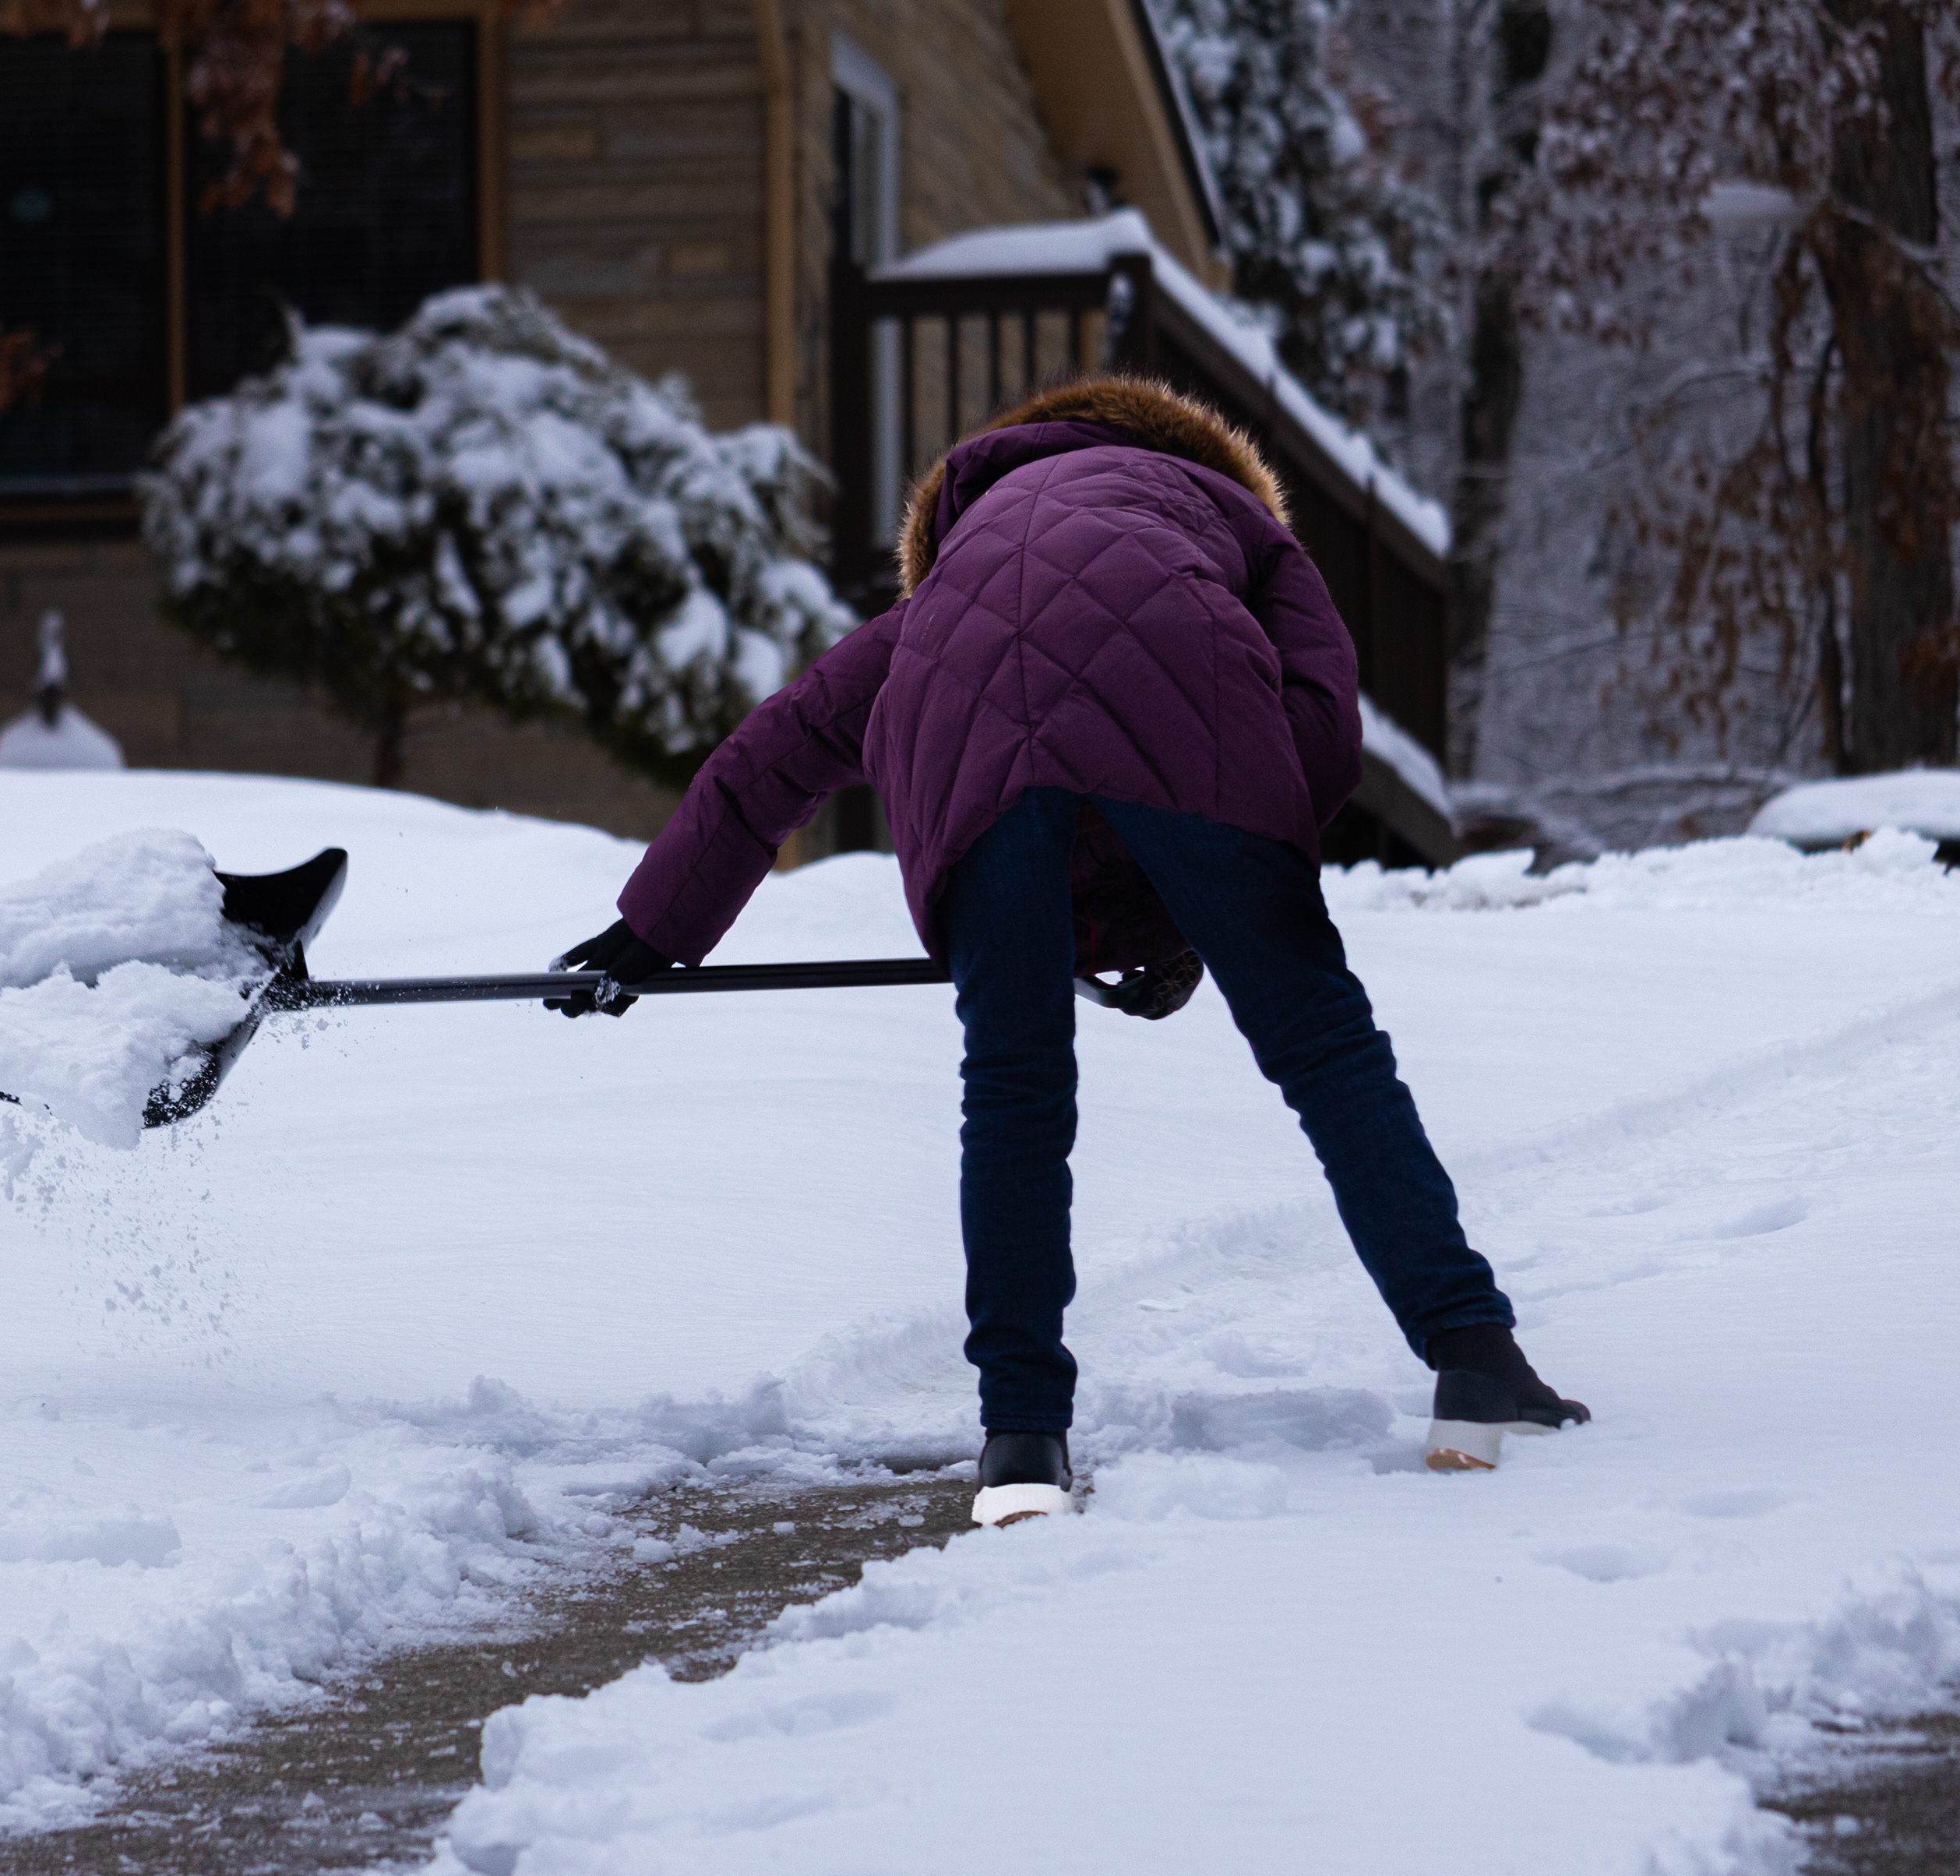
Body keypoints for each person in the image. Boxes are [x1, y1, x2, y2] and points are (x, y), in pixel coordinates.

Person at [548, 375, 1587, 1525]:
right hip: (1194, 688)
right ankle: (1474, 1355)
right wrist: (1218, 893)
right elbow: (1323, 734)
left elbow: (775, 752)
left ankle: (1021, 1441)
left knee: (1013, 1090)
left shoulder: (950, 583)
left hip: (971, 741)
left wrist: (650, 935)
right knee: (1323, 1045)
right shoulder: (1237, 525)